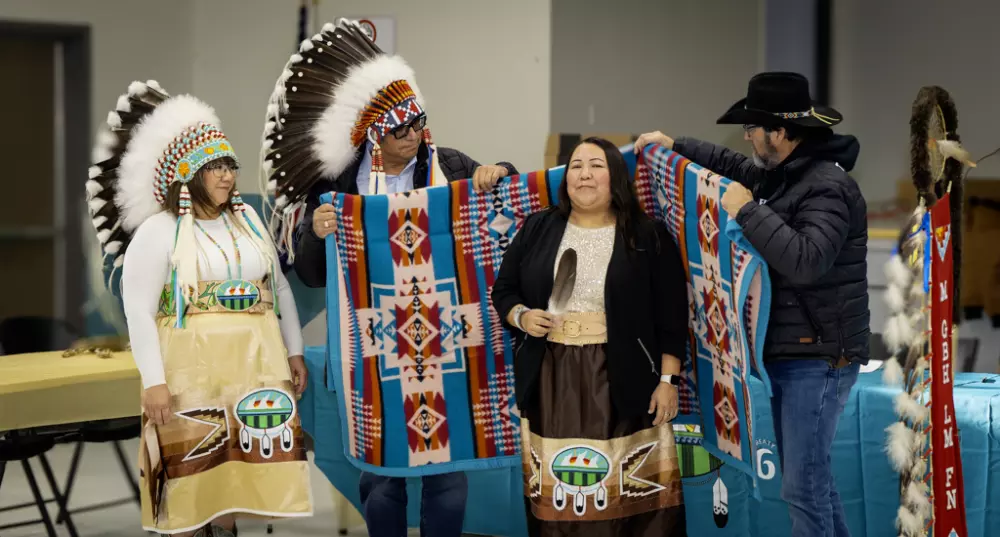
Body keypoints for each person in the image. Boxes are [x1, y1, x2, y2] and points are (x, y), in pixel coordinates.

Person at [259, 19, 518, 537]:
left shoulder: (449, 165)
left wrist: (501, 173)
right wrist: (316, 231)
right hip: (373, 348)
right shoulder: (336, 185)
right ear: (374, 133)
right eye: (401, 128)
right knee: (381, 479)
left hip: (446, 343)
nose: (413, 135)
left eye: (419, 123)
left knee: (449, 472)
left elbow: (504, 205)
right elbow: (310, 273)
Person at [636, 71, 869, 537]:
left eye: (751, 128)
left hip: (820, 356)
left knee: (803, 487)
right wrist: (675, 145)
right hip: (799, 352)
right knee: (813, 484)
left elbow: (806, 261)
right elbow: (730, 164)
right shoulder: (784, 175)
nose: (746, 137)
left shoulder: (827, 187)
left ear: (778, 133)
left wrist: (747, 211)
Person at [88, 81, 311, 537]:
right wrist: (154, 382)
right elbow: (139, 310)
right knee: (192, 477)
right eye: (214, 168)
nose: (227, 176)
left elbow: (280, 288)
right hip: (190, 374)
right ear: (189, 175)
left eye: (230, 166)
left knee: (237, 481)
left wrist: (295, 351)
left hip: (255, 365)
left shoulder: (248, 220)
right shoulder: (159, 230)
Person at [491, 137, 688, 537]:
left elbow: (672, 317)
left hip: (625, 378)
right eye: (576, 166)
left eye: (596, 165)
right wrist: (522, 316)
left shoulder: (646, 235)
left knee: (629, 496)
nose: (584, 174)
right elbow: (504, 290)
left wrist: (668, 381)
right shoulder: (539, 228)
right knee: (559, 492)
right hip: (551, 376)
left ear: (616, 176)